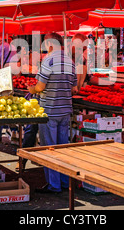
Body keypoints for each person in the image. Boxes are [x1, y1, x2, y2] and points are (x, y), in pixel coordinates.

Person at [28, 33, 78, 193]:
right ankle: (64, 182)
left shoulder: (48, 61)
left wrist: (32, 89)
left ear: (50, 44)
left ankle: (54, 185)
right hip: (65, 111)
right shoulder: (70, 62)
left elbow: (40, 86)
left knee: (49, 148)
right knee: (62, 148)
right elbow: (74, 87)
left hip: (50, 111)